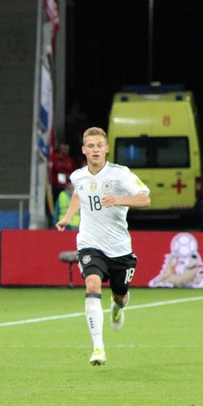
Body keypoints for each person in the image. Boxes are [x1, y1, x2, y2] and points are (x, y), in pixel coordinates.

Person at [55, 127, 150, 366]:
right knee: (92, 284)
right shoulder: (78, 176)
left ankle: (117, 307)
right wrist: (67, 217)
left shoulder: (120, 174)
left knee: (120, 295)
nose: (95, 150)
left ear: (106, 148)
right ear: (84, 150)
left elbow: (145, 198)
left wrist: (119, 200)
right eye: (91, 146)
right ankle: (98, 348)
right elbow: (79, 194)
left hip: (119, 248)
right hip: (90, 244)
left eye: (99, 145)